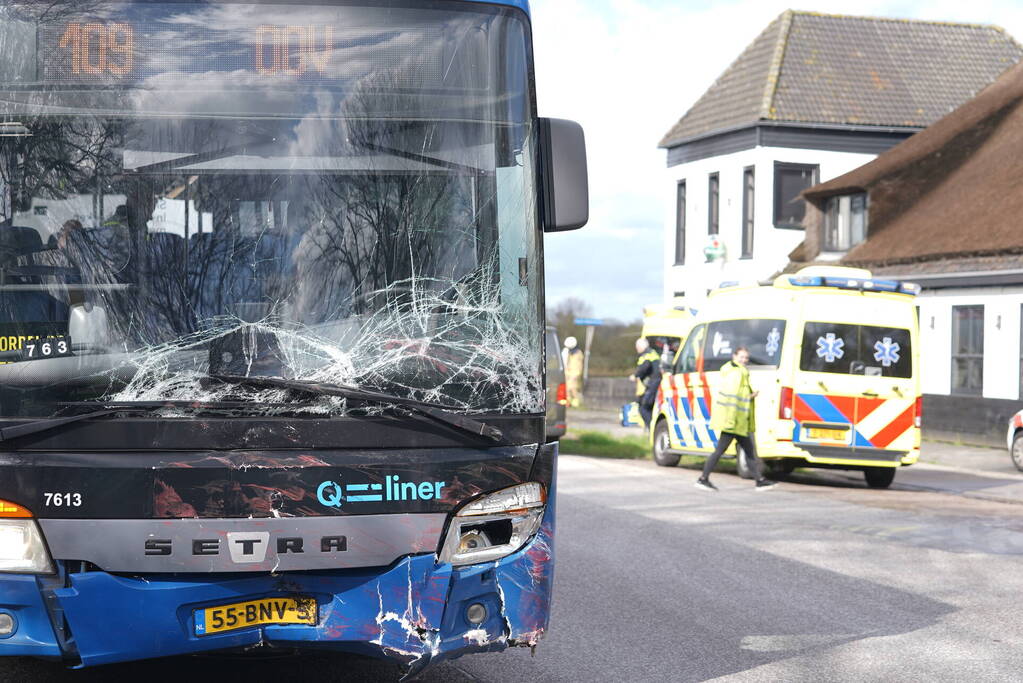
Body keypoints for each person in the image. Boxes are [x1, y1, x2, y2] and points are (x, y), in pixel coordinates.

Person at [695, 346, 777, 491]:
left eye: (746, 358)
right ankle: (703, 479)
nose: (744, 360)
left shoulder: (738, 371)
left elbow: (737, 396)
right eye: (741, 357)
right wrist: (747, 399)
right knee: (721, 450)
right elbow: (733, 398)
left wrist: (749, 396)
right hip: (734, 422)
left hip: (738, 422)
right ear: (734, 356)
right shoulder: (736, 373)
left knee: (748, 450)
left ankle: (759, 480)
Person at [630, 337, 661, 430]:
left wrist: (635, 376)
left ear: (641, 346)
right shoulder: (653, 353)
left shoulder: (646, 355)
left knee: (643, 407)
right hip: (655, 384)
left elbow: (644, 367)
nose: (637, 349)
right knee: (649, 407)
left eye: (637, 347)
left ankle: (652, 429)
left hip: (652, 384)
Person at [562, 336, 584, 407]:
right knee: (567, 389)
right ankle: (569, 403)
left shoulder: (578, 353)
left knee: (573, 388)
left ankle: (576, 403)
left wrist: (576, 375)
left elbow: (578, 366)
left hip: (575, 374)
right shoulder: (569, 353)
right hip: (569, 372)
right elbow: (567, 363)